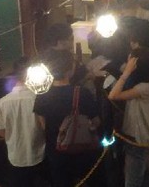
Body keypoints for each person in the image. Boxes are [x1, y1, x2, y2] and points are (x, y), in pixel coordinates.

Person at [34, 51, 102, 187]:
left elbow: (42, 125)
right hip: (82, 149)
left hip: (56, 151)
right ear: (71, 69)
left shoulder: (42, 96)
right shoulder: (82, 93)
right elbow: (96, 122)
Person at [108, 48, 149, 187]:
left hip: (137, 140)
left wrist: (126, 73)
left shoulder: (143, 88)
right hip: (144, 138)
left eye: (130, 61)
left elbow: (113, 96)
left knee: (133, 181)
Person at [0, 58, 46, 186]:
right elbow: (45, 127)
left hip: (15, 156)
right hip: (40, 155)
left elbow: (1, 133)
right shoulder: (39, 100)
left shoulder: (1, 104)